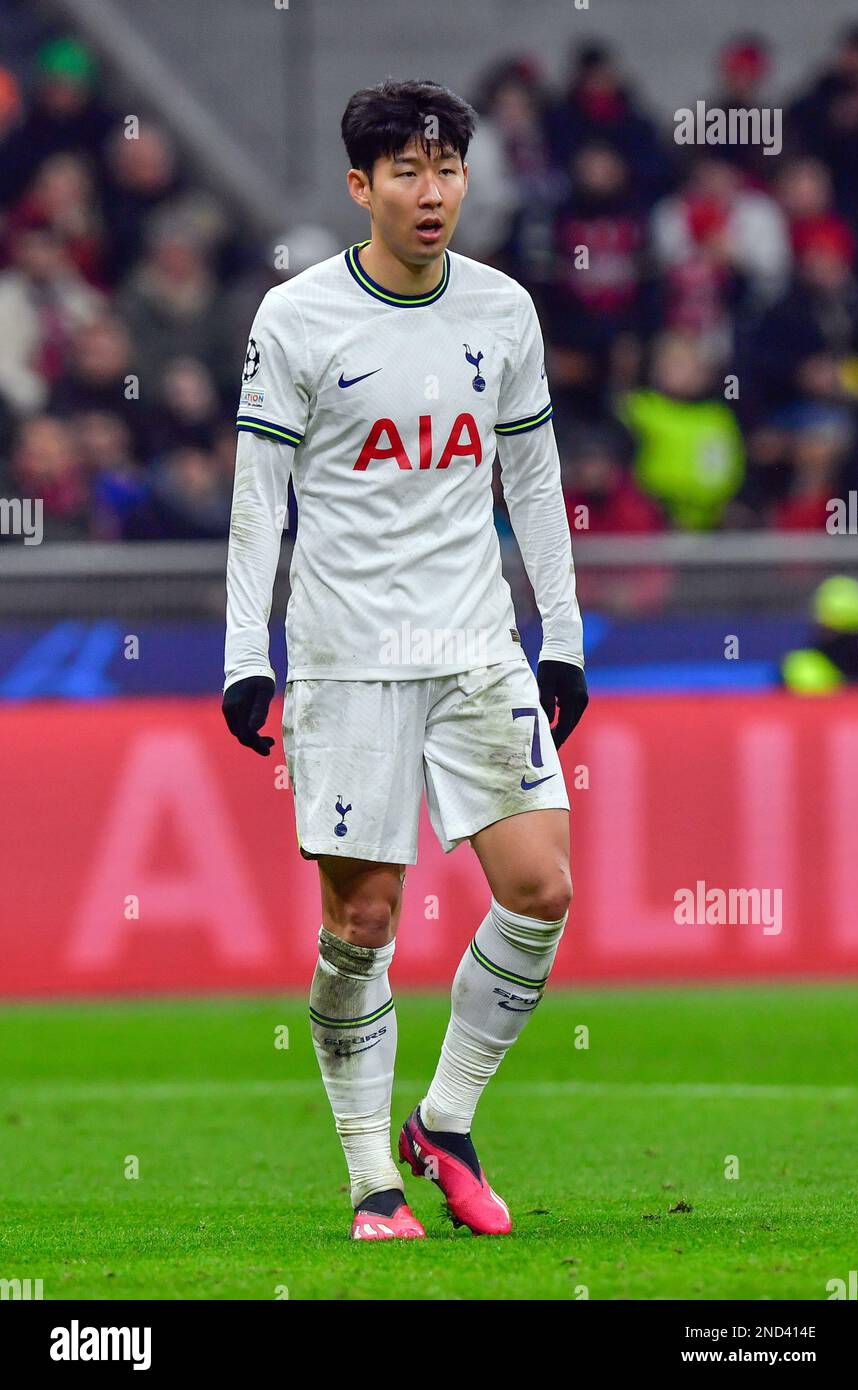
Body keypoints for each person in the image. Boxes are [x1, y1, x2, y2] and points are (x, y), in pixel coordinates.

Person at [221, 79, 588, 1241]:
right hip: (348, 657)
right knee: (363, 924)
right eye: (405, 175)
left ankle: (444, 1121)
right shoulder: (296, 320)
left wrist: (561, 638)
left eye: (446, 172)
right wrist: (246, 655)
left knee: (540, 888)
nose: (430, 195)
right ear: (360, 187)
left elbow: (531, 481)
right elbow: (257, 501)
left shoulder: (502, 311)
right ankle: (370, 1174)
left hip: (476, 648)